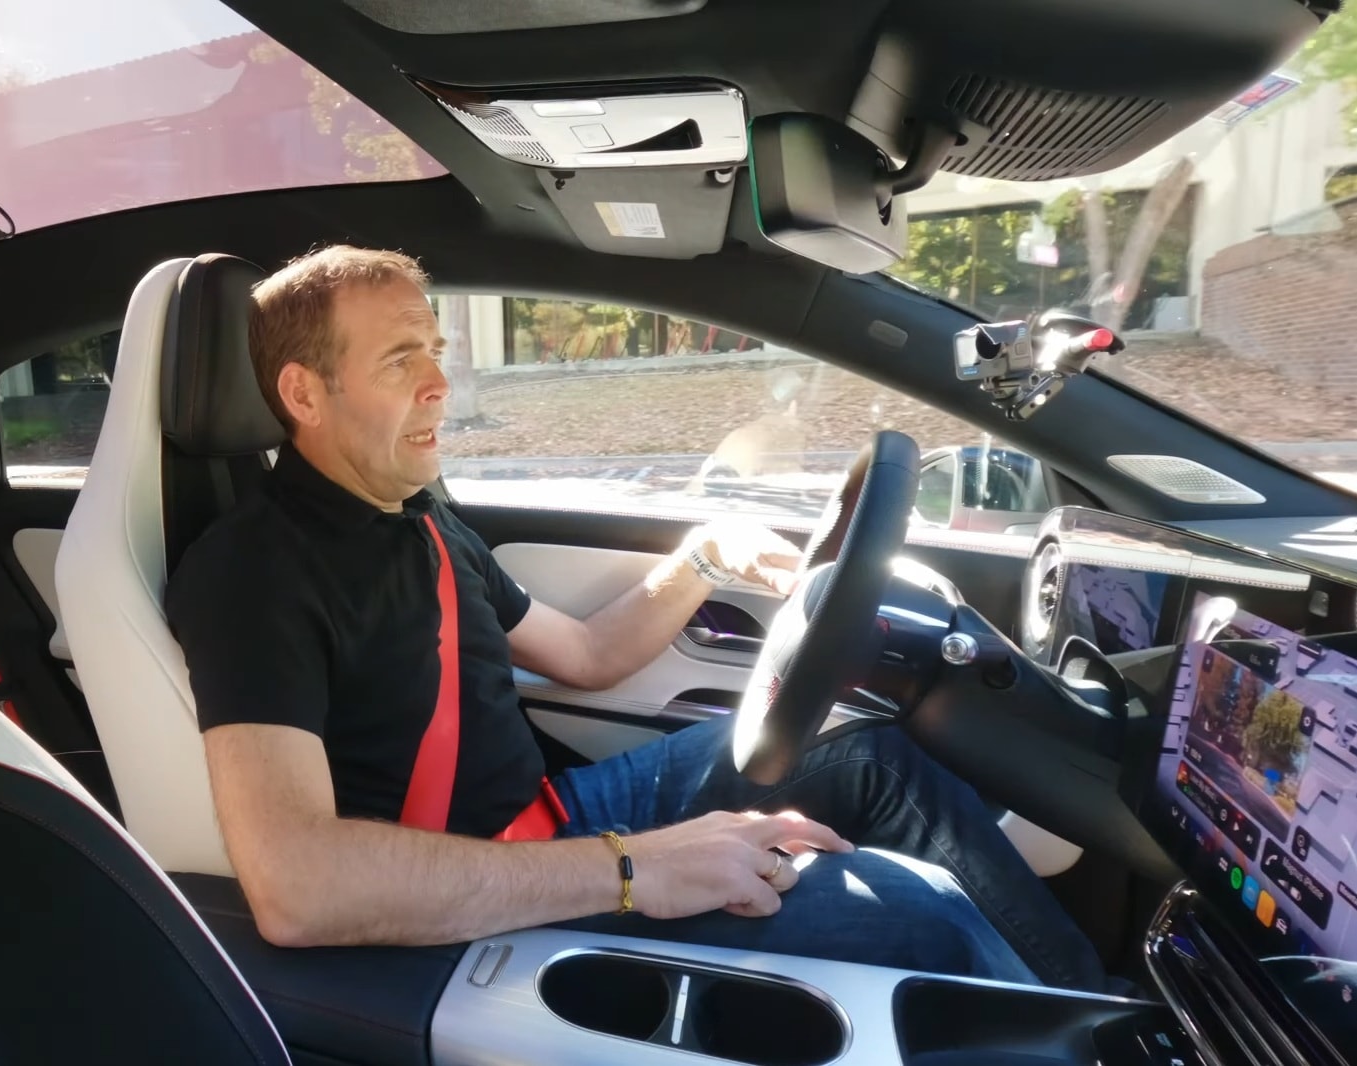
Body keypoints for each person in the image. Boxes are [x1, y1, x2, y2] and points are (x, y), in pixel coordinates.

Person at [164, 245, 1110, 991]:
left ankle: (1097, 1012)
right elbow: (299, 887)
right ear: (303, 393)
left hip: (558, 817)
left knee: (870, 745)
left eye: (436, 352)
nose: (439, 384)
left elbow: (585, 655)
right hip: (469, 896)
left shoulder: (419, 523)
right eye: (398, 359)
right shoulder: (251, 574)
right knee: (918, 910)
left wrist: (703, 555)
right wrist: (631, 869)